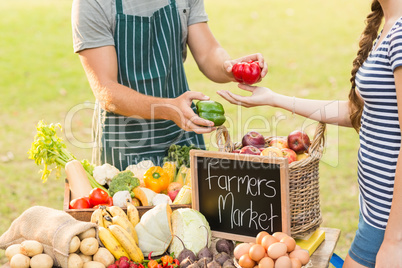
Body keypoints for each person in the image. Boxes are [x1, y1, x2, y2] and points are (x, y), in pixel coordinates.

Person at [217, 0, 402, 267]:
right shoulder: (388, 27)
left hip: (390, 224)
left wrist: (395, 242)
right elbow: (358, 112)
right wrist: (274, 98)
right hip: (376, 213)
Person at [71, 0, 268, 170]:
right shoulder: (93, 3)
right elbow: (107, 90)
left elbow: (208, 52)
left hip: (182, 136)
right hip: (125, 143)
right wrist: (168, 109)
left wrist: (231, 68)